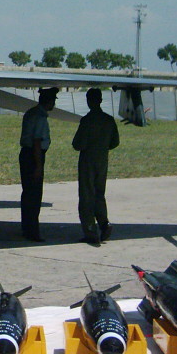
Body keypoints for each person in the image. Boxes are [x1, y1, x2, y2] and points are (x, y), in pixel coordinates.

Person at [72, 88, 119, 246]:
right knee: (100, 193)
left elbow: (77, 144)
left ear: (89, 100)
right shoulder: (109, 120)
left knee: (86, 195)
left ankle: (90, 230)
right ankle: (104, 223)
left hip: (88, 161)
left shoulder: (87, 120)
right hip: (102, 159)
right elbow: (115, 142)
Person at [19, 87, 57, 241]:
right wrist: (39, 166)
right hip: (34, 156)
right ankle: (33, 231)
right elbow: (37, 142)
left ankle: (26, 227)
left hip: (26, 154)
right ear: (49, 101)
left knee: (27, 193)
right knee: (34, 195)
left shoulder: (31, 112)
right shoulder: (40, 117)